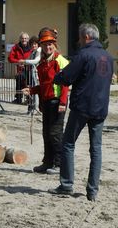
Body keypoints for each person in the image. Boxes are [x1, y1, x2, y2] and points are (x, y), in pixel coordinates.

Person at [50, 23, 114, 201]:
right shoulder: (108, 57)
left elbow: (67, 77)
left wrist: (57, 77)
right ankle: (92, 191)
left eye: (79, 37)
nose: (78, 41)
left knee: (68, 143)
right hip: (101, 108)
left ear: (86, 37)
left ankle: (67, 184)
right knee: (96, 149)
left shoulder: (84, 55)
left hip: (82, 107)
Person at [22, 28, 69, 175]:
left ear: (54, 44)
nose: (48, 47)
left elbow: (65, 85)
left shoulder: (60, 61)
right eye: (45, 44)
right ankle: (47, 162)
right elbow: (44, 86)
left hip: (57, 102)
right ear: (41, 46)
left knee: (55, 134)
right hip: (47, 102)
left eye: (50, 44)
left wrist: (62, 103)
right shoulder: (42, 63)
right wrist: (31, 90)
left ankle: (59, 164)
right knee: (46, 133)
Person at [8, 32, 32, 103]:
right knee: (19, 80)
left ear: (28, 39)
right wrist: (18, 61)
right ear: (20, 39)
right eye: (22, 38)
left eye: (25, 38)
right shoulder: (15, 47)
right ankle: (18, 98)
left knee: (28, 83)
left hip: (30, 70)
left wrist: (26, 62)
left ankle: (29, 98)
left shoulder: (31, 48)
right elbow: (10, 58)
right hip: (20, 70)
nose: (24, 40)